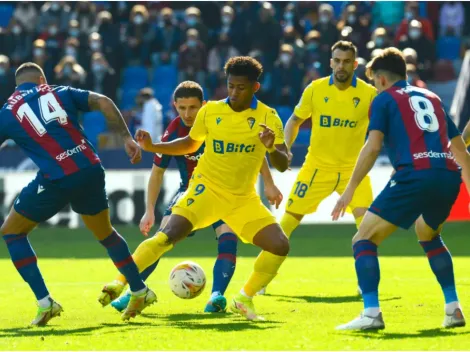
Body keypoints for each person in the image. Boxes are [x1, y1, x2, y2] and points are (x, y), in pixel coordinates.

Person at [99, 56, 290, 321]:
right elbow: (190, 143)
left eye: (241, 87)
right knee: (166, 236)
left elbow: (283, 161)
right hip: (206, 190)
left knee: (280, 245)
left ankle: (244, 298)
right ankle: (119, 282)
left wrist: (270, 147)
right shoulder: (211, 111)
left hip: (242, 199)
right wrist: (154, 147)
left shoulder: (268, 117)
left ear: (255, 88)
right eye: (230, 86)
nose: (234, 92)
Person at [0, 63, 156, 326]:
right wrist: (127, 138)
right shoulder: (58, 91)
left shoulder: (6, 112)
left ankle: (45, 303)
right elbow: (105, 101)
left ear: (17, 86)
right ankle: (140, 290)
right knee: (106, 234)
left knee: (12, 232)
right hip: (90, 168)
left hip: (57, 178)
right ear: (42, 79)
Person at [332, 48, 470, 330]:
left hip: (414, 175)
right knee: (427, 233)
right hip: (447, 175)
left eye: (372, 81)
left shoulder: (383, 100)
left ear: (381, 79)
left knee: (363, 240)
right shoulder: (433, 98)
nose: (372, 86)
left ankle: (371, 313)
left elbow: (372, 148)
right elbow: (461, 151)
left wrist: (349, 190)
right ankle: (453, 307)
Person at [260, 42, 376, 295]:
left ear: (355, 65)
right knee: (286, 225)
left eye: (347, 61)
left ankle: (365, 285)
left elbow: (382, 128)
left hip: (352, 171)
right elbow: (294, 120)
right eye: (337, 60)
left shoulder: (369, 94)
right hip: (316, 169)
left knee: (367, 228)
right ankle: (260, 281)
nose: (341, 65)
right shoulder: (315, 89)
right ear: (330, 62)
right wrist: (285, 148)